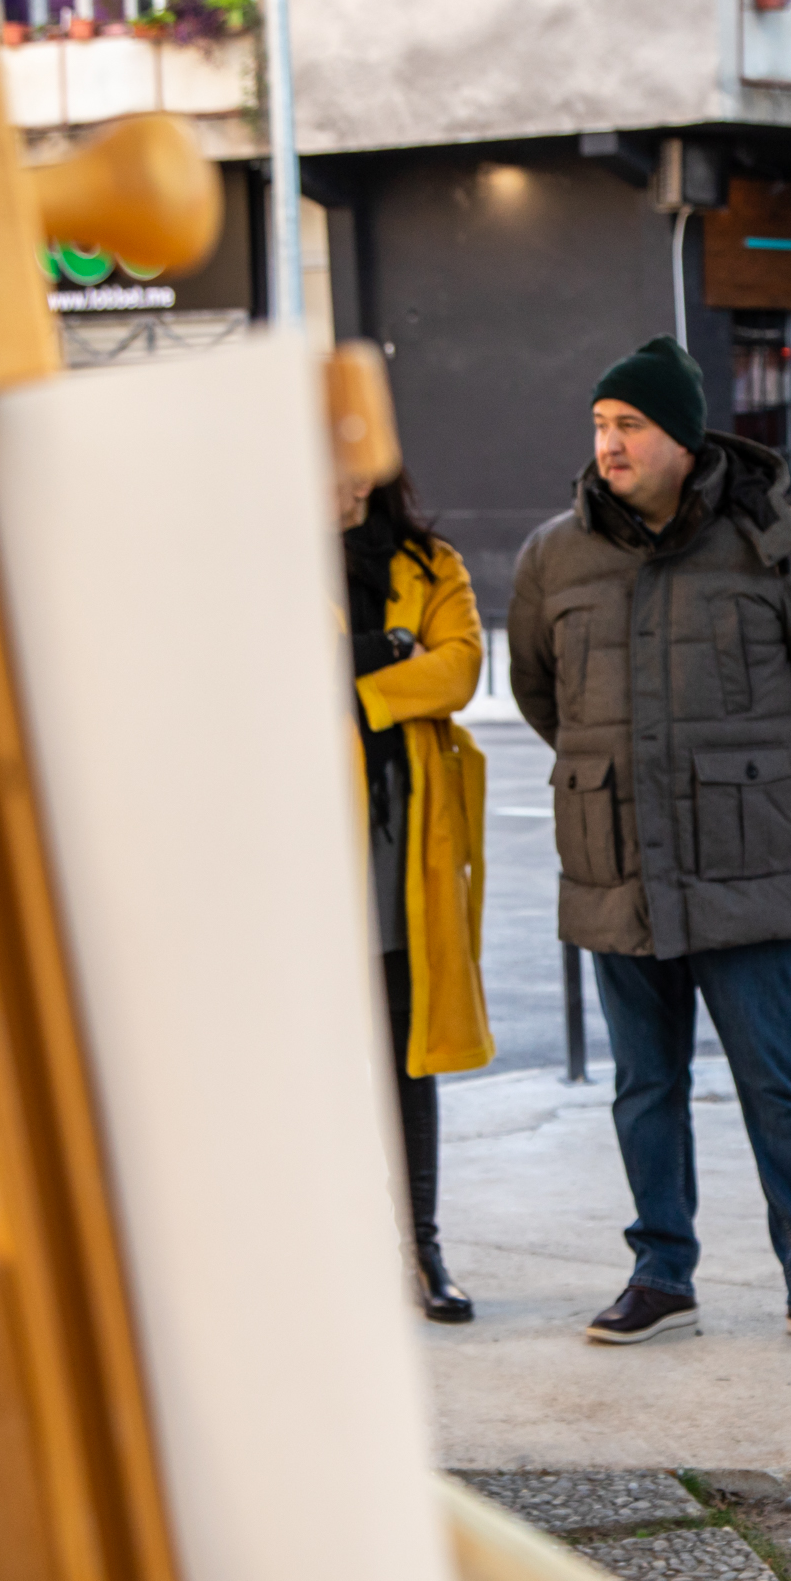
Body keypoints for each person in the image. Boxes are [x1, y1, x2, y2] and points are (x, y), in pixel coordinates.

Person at [507, 337, 791, 1354]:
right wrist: (619, 776)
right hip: (616, 863)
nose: (609, 444)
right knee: (644, 1087)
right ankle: (659, 1272)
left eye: (629, 425)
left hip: (740, 865)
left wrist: (756, 785)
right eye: (600, 425)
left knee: (775, 1085)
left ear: (681, 438)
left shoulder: (774, 542)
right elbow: (541, 694)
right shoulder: (553, 556)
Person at [340, 470, 494, 1324]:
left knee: (408, 1049)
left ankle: (419, 1250)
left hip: (402, 839)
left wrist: (360, 684)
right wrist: (394, 650)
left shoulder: (432, 565)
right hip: (302, 847)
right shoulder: (263, 563)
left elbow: (460, 668)